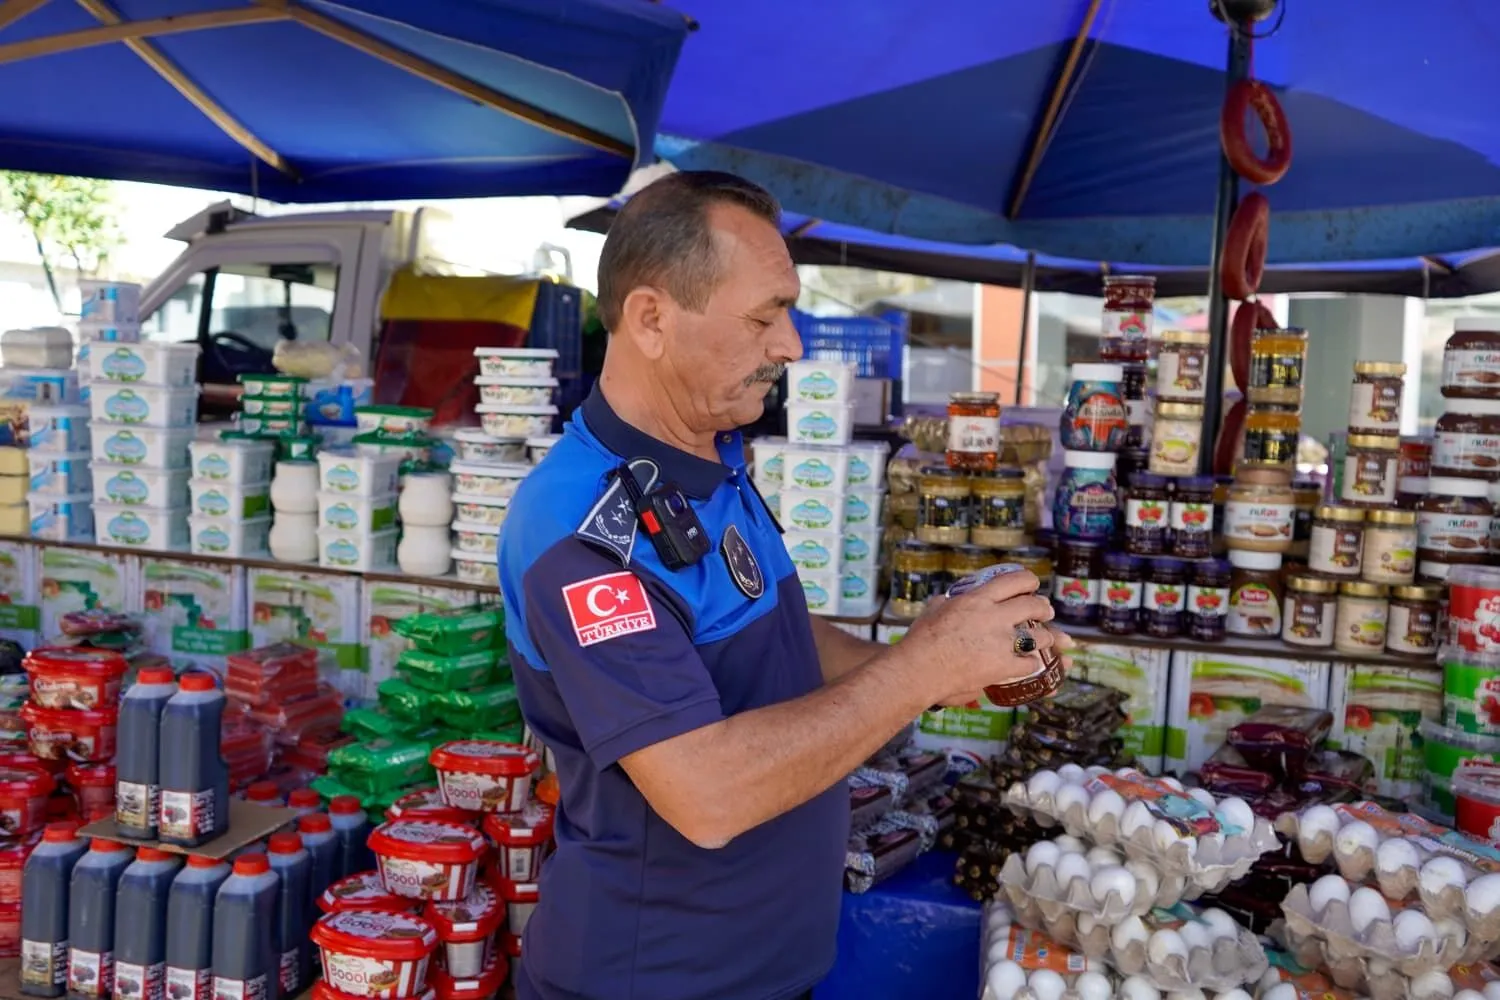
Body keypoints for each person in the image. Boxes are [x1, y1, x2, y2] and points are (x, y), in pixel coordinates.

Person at [496, 170, 1071, 1000]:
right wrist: (921, 672)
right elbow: (707, 792)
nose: (792, 345)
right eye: (765, 315)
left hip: (767, 970)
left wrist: (937, 656)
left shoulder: (710, 460)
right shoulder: (577, 533)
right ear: (651, 319)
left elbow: (783, 638)